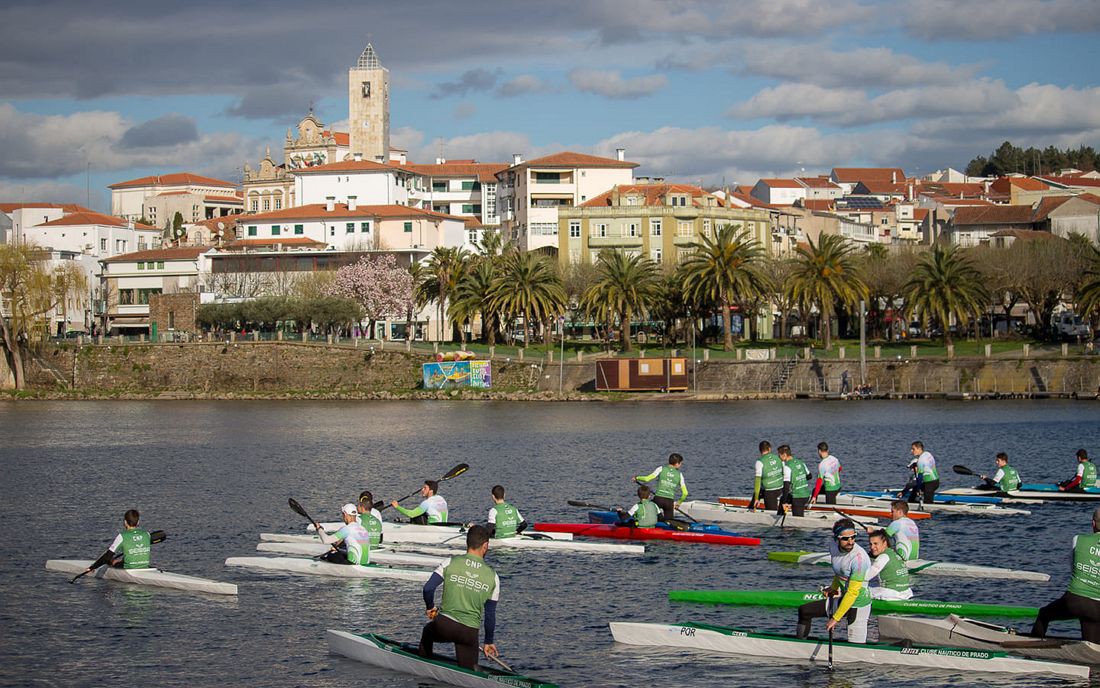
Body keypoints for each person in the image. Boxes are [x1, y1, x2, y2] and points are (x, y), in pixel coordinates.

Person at [420, 525, 501, 670]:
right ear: (485, 545)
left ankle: (423, 667)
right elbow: (490, 616)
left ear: (467, 543)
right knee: (469, 671)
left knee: (427, 632)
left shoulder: (450, 562)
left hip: (445, 625)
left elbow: (428, 589)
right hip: (469, 633)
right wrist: (488, 641)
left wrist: (430, 608)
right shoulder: (493, 577)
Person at [795, 519, 872, 644]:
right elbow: (840, 572)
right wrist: (833, 588)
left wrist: (835, 619)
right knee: (805, 611)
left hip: (858, 603)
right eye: (845, 538)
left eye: (853, 537)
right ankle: (798, 645)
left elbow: (852, 593)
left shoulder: (859, 559)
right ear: (837, 538)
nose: (850, 542)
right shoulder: (832, 546)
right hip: (844, 599)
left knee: (855, 646)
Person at [1031, 508, 1100, 642]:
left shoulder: (1078, 539)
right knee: (1092, 645)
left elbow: (1072, 567)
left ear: (1093, 523)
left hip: (1075, 600)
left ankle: (1030, 651)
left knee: (1044, 614)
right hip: (1098, 607)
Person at [80, 509, 151, 577]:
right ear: (138, 522)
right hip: (145, 567)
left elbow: (107, 556)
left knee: (110, 560)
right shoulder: (147, 534)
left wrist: (93, 567)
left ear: (125, 522)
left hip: (129, 569)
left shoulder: (122, 536)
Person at [635, 453, 688, 522]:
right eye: (680, 463)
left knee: (648, 513)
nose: (680, 465)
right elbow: (685, 493)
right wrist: (678, 503)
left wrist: (637, 478)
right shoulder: (679, 475)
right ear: (677, 464)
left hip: (658, 499)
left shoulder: (661, 469)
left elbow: (647, 479)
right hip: (669, 503)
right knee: (669, 523)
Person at [866, 529, 914, 600]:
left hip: (891, 594)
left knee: (858, 588)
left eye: (876, 544)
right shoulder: (893, 553)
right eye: (871, 544)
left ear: (884, 543)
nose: (872, 547)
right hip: (905, 592)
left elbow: (866, 577)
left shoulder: (883, 557)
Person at [777, 445, 812, 517]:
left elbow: (786, 487)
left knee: (797, 525)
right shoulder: (801, 462)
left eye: (779, 455)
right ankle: (779, 515)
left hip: (798, 497)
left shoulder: (787, 467)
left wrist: (784, 503)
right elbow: (809, 476)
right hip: (807, 495)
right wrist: (799, 479)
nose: (779, 457)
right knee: (782, 499)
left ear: (784, 455)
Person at [752, 441, 784, 512]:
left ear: (760, 450)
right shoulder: (778, 458)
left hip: (770, 492)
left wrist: (757, 498)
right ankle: (751, 507)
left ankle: (753, 505)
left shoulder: (759, 462)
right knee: (759, 491)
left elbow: (757, 481)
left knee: (771, 513)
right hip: (781, 489)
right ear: (770, 449)